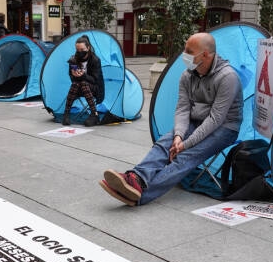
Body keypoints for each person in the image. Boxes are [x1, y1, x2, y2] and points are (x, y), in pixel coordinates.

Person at [100, 32, 242, 206]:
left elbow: (216, 119)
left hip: (225, 128)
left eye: (189, 51)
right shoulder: (187, 75)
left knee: (185, 156)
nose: (184, 54)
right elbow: (183, 108)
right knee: (164, 143)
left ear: (205, 54)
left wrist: (185, 144)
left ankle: (139, 195)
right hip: (195, 120)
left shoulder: (227, 77)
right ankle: (136, 178)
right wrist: (178, 137)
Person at [63, 35, 104, 127]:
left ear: (88, 48)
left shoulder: (95, 60)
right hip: (78, 87)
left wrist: (83, 75)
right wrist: (74, 75)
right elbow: (72, 79)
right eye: (78, 50)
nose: (80, 52)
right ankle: (66, 114)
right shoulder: (73, 59)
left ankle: (94, 114)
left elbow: (95, 80)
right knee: (76, 83)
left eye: (82, 50)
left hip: (94, 88)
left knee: (83, 82)